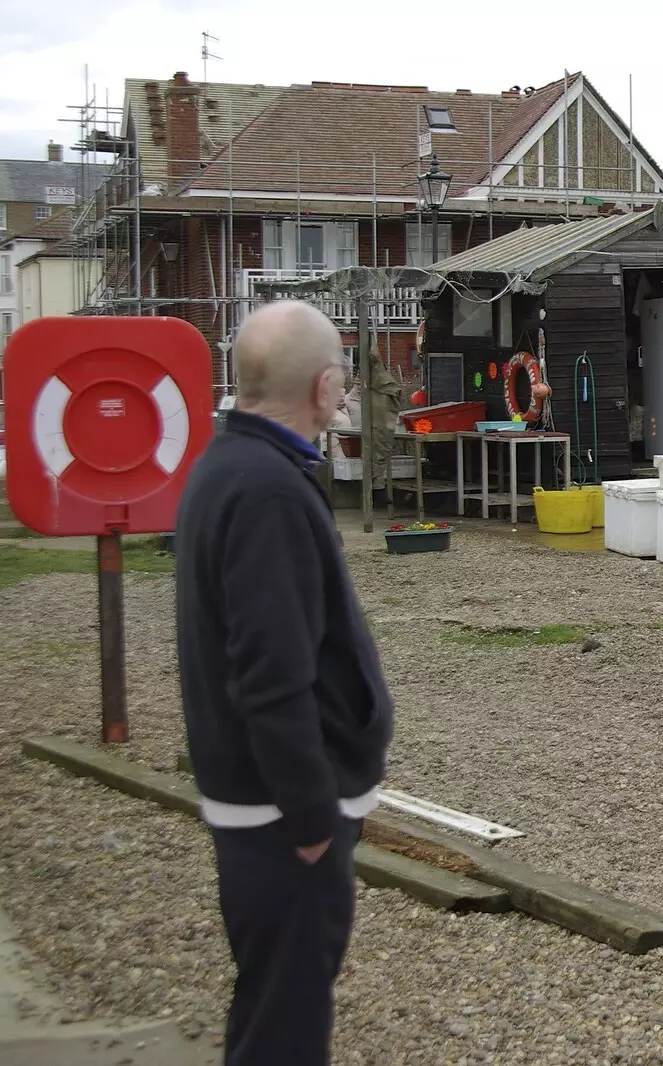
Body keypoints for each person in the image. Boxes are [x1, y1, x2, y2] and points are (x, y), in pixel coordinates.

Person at [174, 300, 394, 1066]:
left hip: (260, 805)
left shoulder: (229, 464)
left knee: (271, 1003)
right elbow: (271, 678)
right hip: (280, 816)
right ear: (326, 385)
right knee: (286, 1026)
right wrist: (309, 821)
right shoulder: (266, 491)